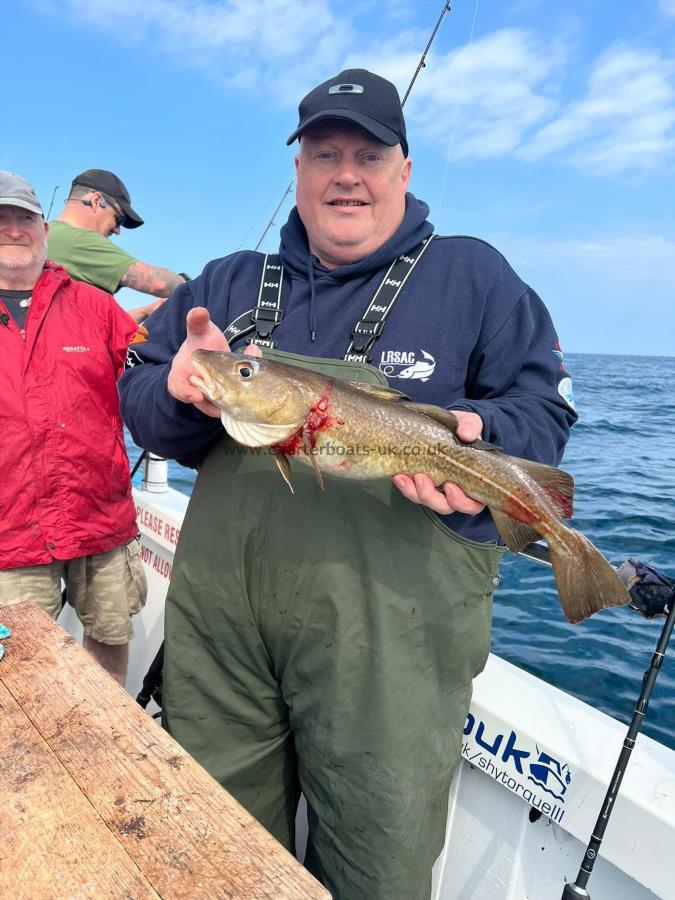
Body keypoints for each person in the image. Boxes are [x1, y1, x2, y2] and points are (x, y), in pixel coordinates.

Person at [119, 69, 577, 899]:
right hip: (221, 629)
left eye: (369, 154)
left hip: (390, 645)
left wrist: (492, 444)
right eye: (324, 153)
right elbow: (145, 407)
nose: (346, 174)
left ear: (404, 170)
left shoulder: (473, 278)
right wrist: (181, 388)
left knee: (380, 860)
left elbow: (542, 408)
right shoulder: (225, 282)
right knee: (214, 841)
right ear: (295, 170)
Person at [0, 171, 147, 686]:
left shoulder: (94, 306)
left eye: (24, 219)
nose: (13, 230)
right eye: (1, 218)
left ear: (43, 228)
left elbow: (148, 376)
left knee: (110, 635)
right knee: (18, 670)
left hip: (100, 520)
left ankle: (110, 738)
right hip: (9, 535)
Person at [47, 168, 188, 324]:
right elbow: (159, 284)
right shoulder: (76, 240)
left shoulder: (49, 235)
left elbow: (95, 328)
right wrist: (197, 285)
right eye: (118, 218)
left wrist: (146, 311)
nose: (117, 230)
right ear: (95, 201)